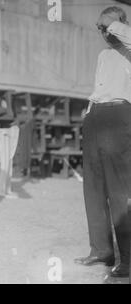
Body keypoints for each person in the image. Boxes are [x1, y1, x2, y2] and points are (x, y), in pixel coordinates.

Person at [74, 6, 131, 281]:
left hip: (119, 114)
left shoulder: (129, 49)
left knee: (119, 191)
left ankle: (129, 260)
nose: (105, 33)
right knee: (93, 188)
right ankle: (101, 250)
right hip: (96, 117)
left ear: (122, 24)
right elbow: (99, 86)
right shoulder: (103, 54)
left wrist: (111, 23)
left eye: (109, 28)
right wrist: (88, 110)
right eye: (101, 29)